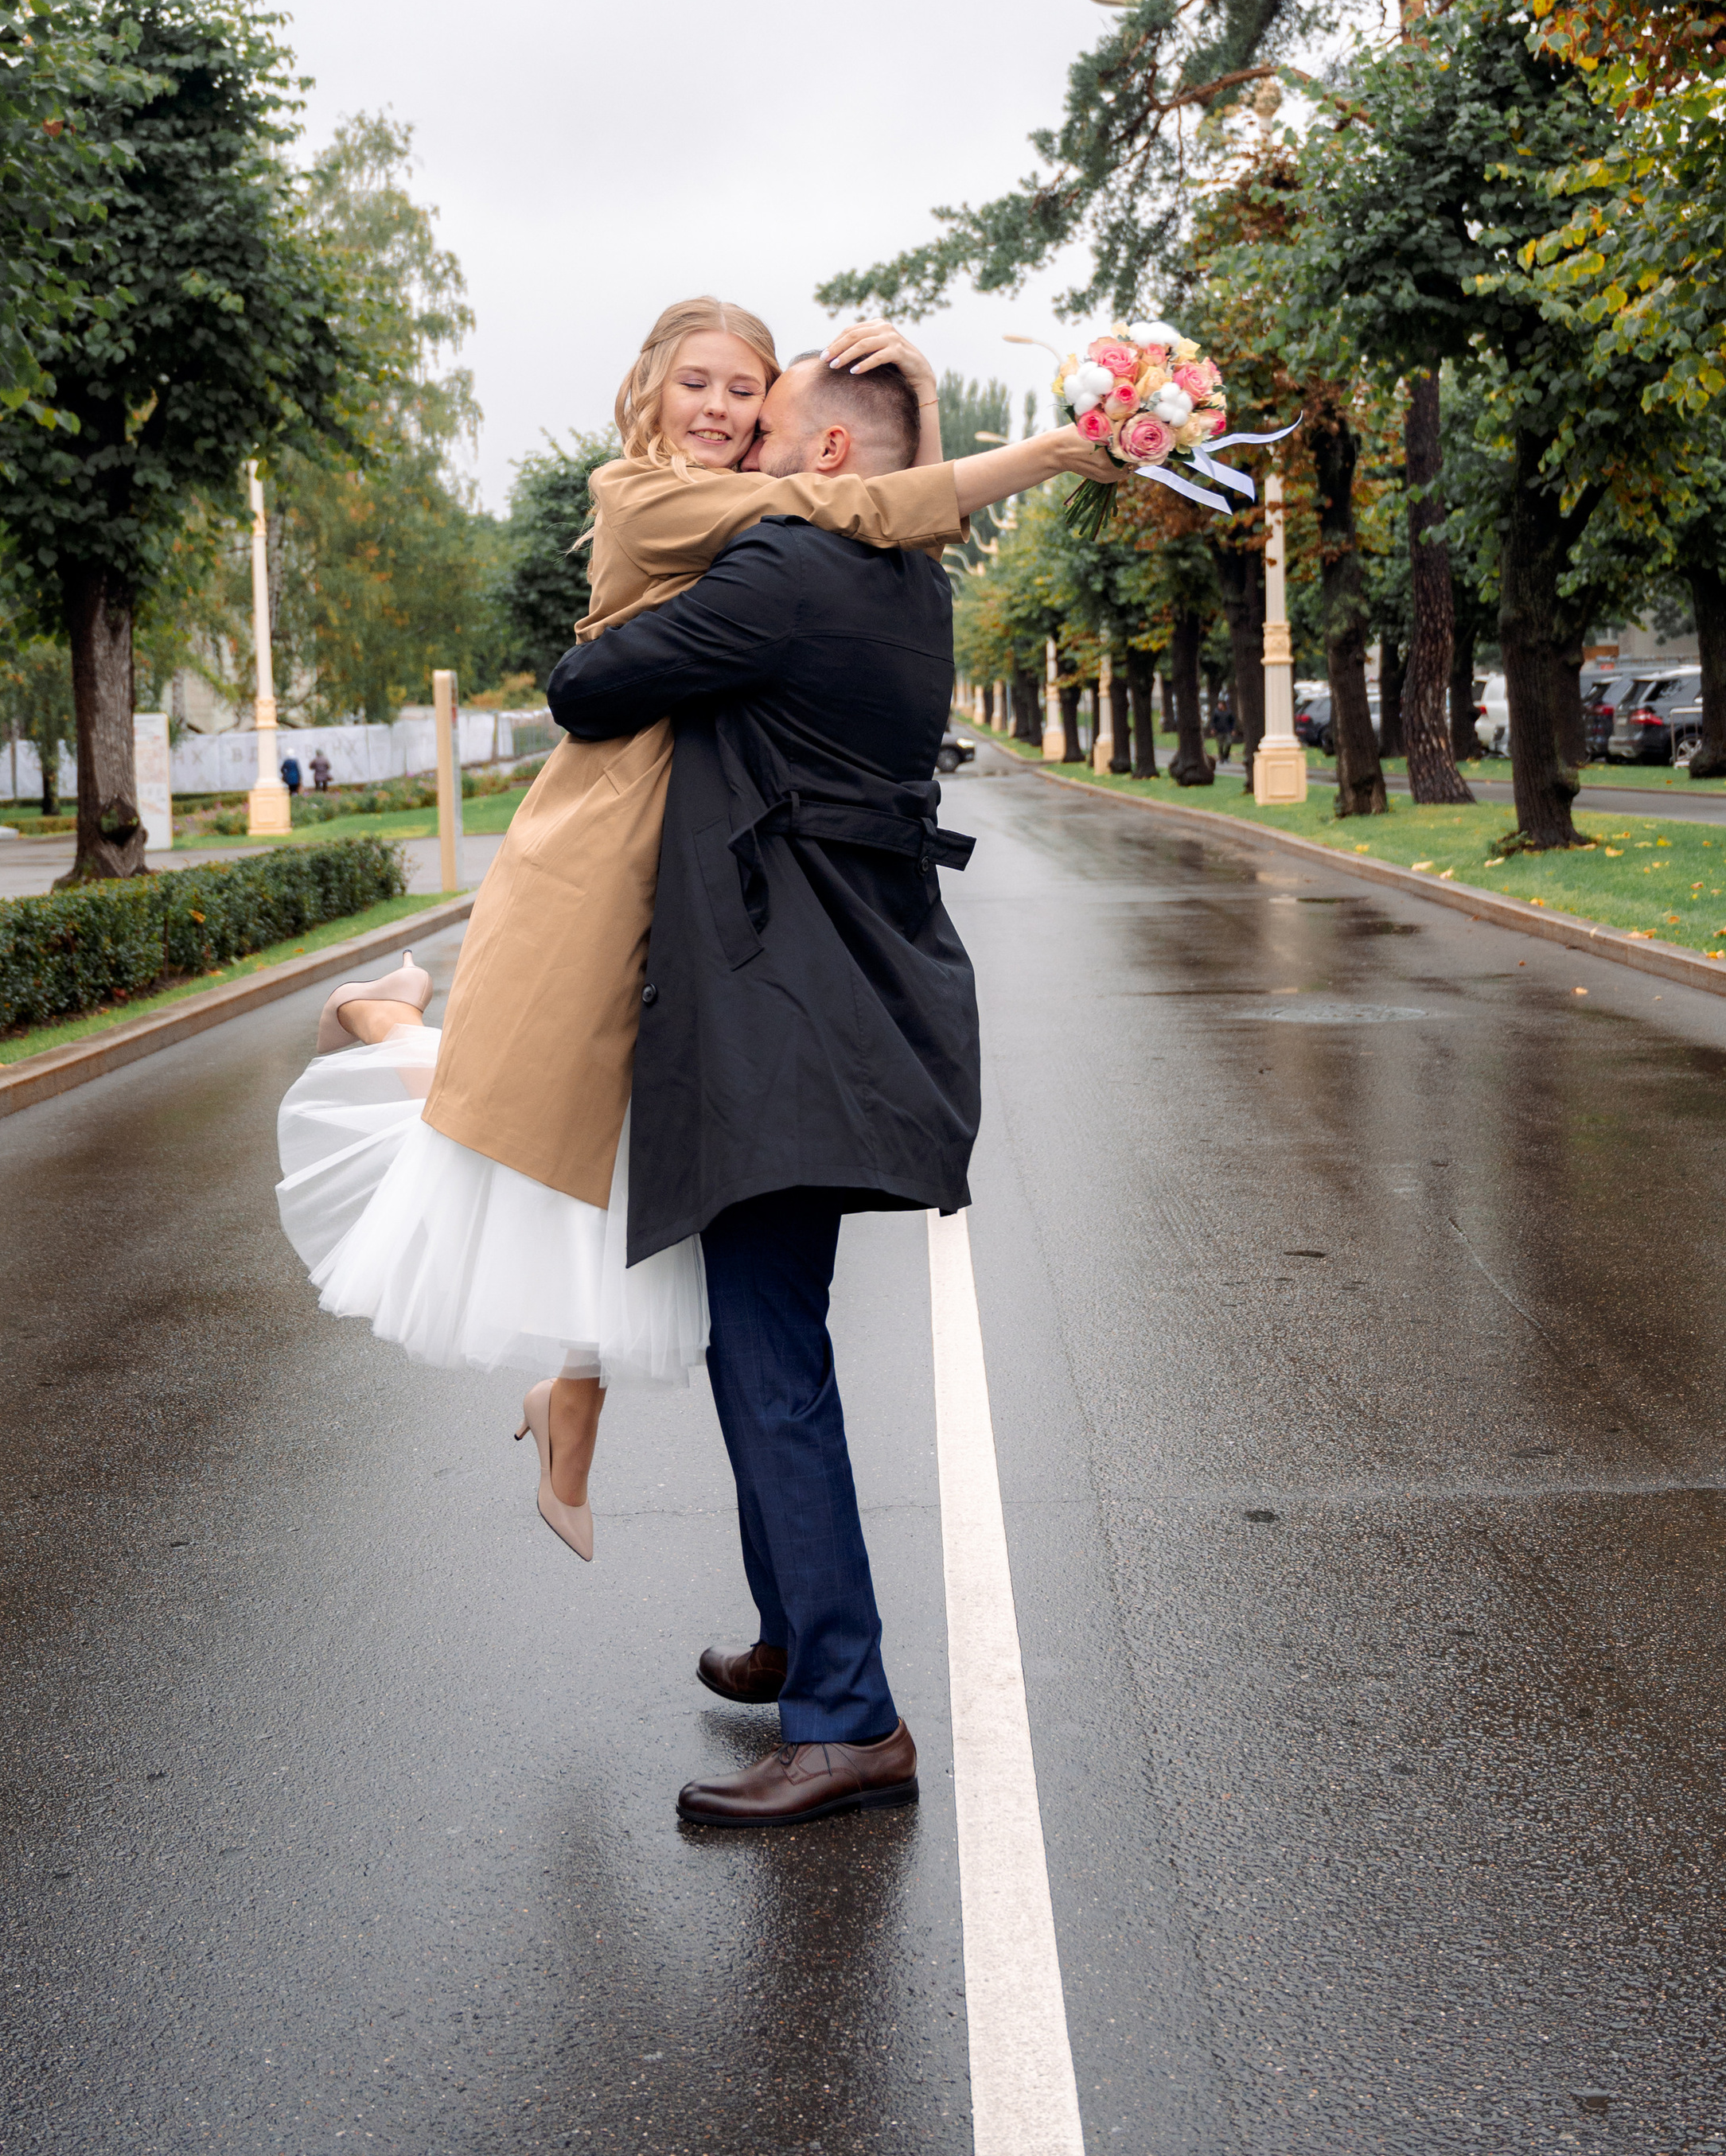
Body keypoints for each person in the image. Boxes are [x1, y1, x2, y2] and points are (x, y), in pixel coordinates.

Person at [271, 298, 1108, 1563]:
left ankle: (573, 1392)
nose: (721, 413)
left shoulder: (772, 508)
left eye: (747, 393)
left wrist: (921, 408)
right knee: (538, 1105)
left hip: (693, 825)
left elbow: (876, 510)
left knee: (626, 1139)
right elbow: (859, 505)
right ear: (652, 388)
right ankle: (385, 1020)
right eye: (701, 387)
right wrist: (1044, 451)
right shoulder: (643, 496)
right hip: (616, 826)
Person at [547, 348, 1011, 1827]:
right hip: (841, 1007)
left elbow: (584, 686)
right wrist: (921, 420)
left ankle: (850, 1719)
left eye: (766, 418)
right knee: (774, 1343)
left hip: (776, 1023)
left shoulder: (782, 575)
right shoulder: (905, 584)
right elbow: (905, 501)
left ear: (821, 452)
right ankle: (798, 1642)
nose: (736, 440)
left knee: (771, 1368)